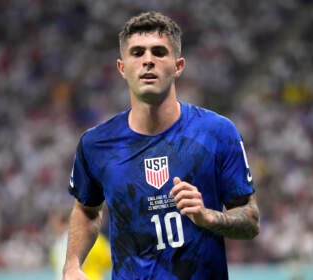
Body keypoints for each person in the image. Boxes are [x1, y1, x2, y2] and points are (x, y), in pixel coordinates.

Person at [63, 11, 260, 280]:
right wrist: (73, 264)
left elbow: (250, 219)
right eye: (137, 53)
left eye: (158, 52)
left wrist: (209, 217)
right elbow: (86, 210)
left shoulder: (217, 132)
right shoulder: (96, 144)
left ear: (178, 66)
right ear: (122, 68)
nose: (148, 61)